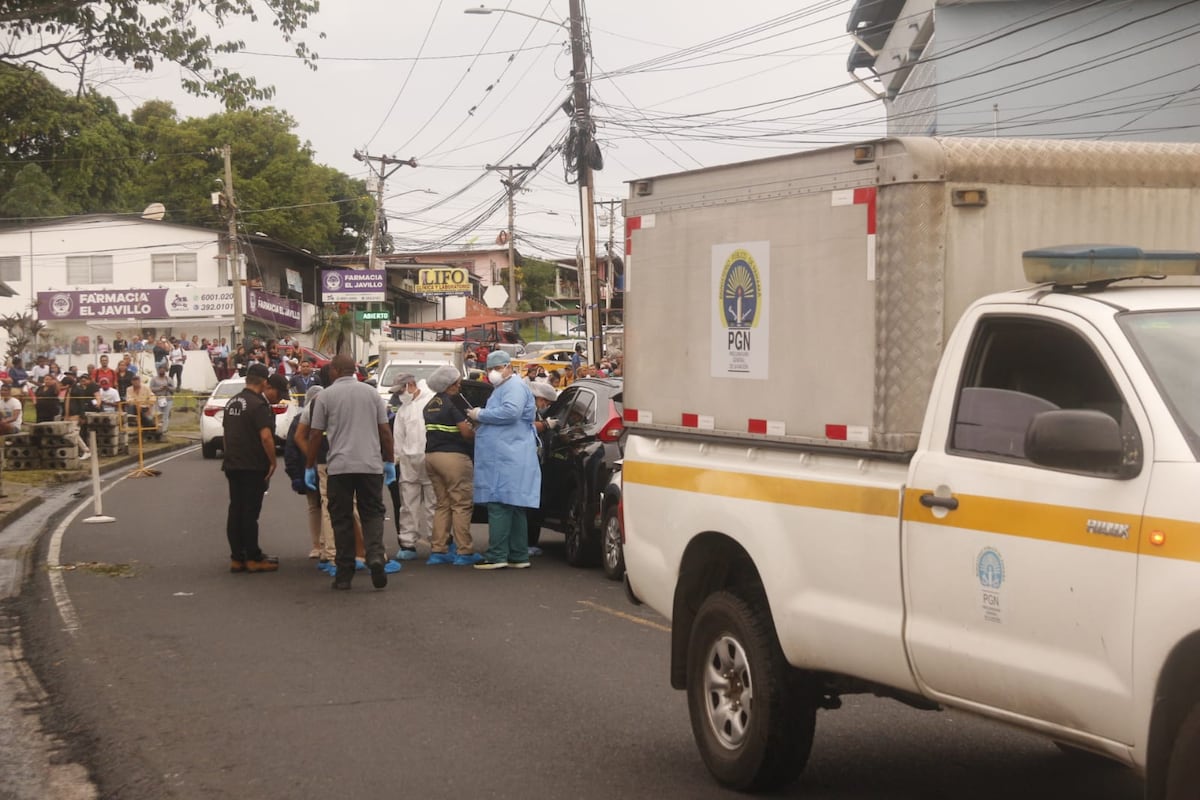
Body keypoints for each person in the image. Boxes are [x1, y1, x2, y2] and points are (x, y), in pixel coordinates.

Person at [304, 354, 395, 590]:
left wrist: (309, 465)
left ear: (335, 371)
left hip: (339, 467)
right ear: (353, 370)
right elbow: (385, 431)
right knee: (372, 513)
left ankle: (344, 573)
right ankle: (375, 555)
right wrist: (389, 461)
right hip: (370, 465)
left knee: (341, 518)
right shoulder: (371, 394)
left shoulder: (325, 396)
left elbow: (315, 434)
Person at [467, 350, 540, 570]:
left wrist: (480, 415)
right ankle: (518, 555)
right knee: (514, 505)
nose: (493, 373)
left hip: (507, 455)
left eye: (497, 368)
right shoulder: (505, 387)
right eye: (490, 369)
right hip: (510, 453)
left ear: (509, 367)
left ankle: (497, 555)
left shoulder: (514, 387)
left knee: (499, 503)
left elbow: (511, 413)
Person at [221, 363, 279, 574]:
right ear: (264, 382)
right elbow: (265, 436)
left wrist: (228, 457)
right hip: (252, 465)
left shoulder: (231, 402)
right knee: (249, 512)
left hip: (232, 463)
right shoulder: (258, 405)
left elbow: (227, 434)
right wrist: (272, 461)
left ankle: (237, 557)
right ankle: (253, 557)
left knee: (235, 509)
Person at [422, 365, 479, 566]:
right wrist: (477, 433)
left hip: (431, 457)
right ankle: (464, 551)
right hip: (453, 458)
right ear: (450, 385)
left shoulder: (429, 405)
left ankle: (438, 549)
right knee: (461, 503)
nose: (460, 384)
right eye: (457, 382)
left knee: (442, 504)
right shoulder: (453, 404)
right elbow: (465, 432)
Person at [391, 373, 436, 562]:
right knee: (408, 504)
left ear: (411, 385)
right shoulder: (403, 410)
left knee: (433, 504)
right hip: (409, 461)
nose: (400, 395)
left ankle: (438, 542)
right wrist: (395, 460)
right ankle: (408, 542)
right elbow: (398, 439)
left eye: (401, 390)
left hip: (429, 458)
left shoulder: (431, 401)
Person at [149, 364, 175, 434]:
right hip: (158, 399)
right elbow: (151, 389)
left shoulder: (169, 379)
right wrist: (159, 389)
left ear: (165, 370)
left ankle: (164, 429)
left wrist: (167, 387)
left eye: (163, 369)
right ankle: (158, 429)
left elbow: (173, 389)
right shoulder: (154, 379)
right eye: (160, 369)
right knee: (158, 414)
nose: (162, 371)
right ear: (158, 370)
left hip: (168, 399)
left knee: (166, 415)